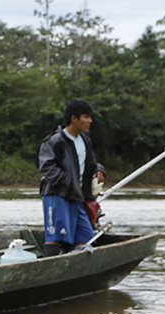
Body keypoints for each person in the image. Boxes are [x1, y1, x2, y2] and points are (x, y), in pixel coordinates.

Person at [38, 98, 106, 255]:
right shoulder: (54, 141)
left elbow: (90, 164)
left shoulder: (85, 141)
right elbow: (47, 167)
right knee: (55, 236)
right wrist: (67, 182)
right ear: (74, 119)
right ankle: (50, 273)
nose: (90, 121)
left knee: (86, 237)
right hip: (57, 196)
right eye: (86, 117)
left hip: (77, 197)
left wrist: (99, 170)